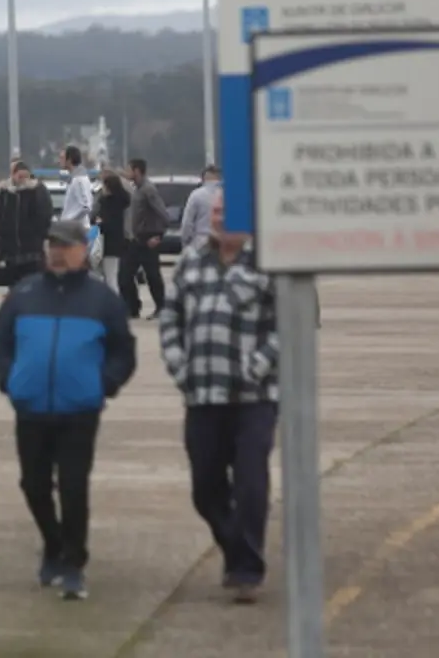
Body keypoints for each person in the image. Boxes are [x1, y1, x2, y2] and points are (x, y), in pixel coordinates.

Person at [0, 220, 136, 601]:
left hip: (79, 411)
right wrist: (10, 380)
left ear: (83, 251)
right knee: (33, 484)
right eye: (52, 244)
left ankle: (73, 563)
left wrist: (103, 384)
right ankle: (53, 544)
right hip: (31, 407)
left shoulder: (102, 300)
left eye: (66, 245)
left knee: (73, 487)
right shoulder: (24, 293)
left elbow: (123, 351)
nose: (57, 251)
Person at [158, 189, 279, 605]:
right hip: (202, 394)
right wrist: (179, 365)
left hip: (254, 397)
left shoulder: (268, 263)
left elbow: (287, 324)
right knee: (205, 489)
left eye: (228, 210)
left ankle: (245, 570)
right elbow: (171, 316)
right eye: (215, 211)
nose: (219, 217)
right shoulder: (191, 260)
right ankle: (237, 547)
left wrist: (257, 365)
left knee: (249, 483)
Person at [121, 158, 170, 319]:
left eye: (129, 169)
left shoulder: (148, 190)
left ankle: (161, 307)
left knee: (153, 276)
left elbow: (163, 213)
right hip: (136, 240)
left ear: (137, 171)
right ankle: (133, 307)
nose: (127, 172)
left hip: (149, 240)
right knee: (125, 275)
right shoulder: (137, 189)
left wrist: (159, 236)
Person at [0, 161, 53, 287]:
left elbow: (45, 216)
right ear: (13, 175)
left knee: (33, 284)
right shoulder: (6, 191)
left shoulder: (37, 190)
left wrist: (38, 235)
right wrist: (1, 238)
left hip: (32, 249)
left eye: (25, 176)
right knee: (14, 286)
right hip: (11, 249)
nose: (23, 180)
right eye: (20, 176)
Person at [93, 170, 130, 294]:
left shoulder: (113, 204)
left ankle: (114, 306)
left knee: (111, 278)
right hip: (105, 245)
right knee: (101, 278)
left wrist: (100, 222)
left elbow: (110, 224)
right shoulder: (108, 202)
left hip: (110, 246)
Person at [180, 164, 221, 242]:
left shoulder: (196, 195)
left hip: (200, 240)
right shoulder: (228, 195)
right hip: (222, 241)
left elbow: (187, 223)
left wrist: (185, 240)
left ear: (203, 179)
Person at [58, 146, 93, 228]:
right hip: (72, 228)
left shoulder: (79, 179)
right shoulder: (74, 178)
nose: (59, 161)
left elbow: (86, 206)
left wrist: (69, 221)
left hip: (76, 230)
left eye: (62, 158)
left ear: (69, 160)